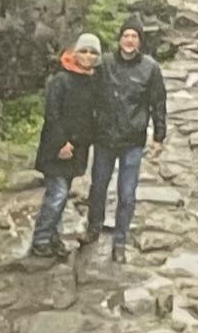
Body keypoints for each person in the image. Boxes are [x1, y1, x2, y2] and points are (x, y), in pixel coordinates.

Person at [86, 23, 169, 264]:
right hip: (105, 137)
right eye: (126, 35)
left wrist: (159, 136)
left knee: (127, 194)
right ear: (119, 39)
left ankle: (120, 241)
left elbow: (158, 103)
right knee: (98, 186)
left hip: (132, 140)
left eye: (134, 36)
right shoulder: (105, 64)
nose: (130, 40)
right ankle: (93, 227)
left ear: (140, 41)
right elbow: (89, 94)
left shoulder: (150, 68)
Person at [25, 33, 106, 262]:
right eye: (84, 51)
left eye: (93, 52)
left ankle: (53, 237)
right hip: (56, 148)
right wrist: (61, 143)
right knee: (58, 194)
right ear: (75, 52)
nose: (88, 56)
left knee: (59, 195)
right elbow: (52, 114)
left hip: (77, 149)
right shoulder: (61, 80)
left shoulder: (93, 80)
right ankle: (41, 240)